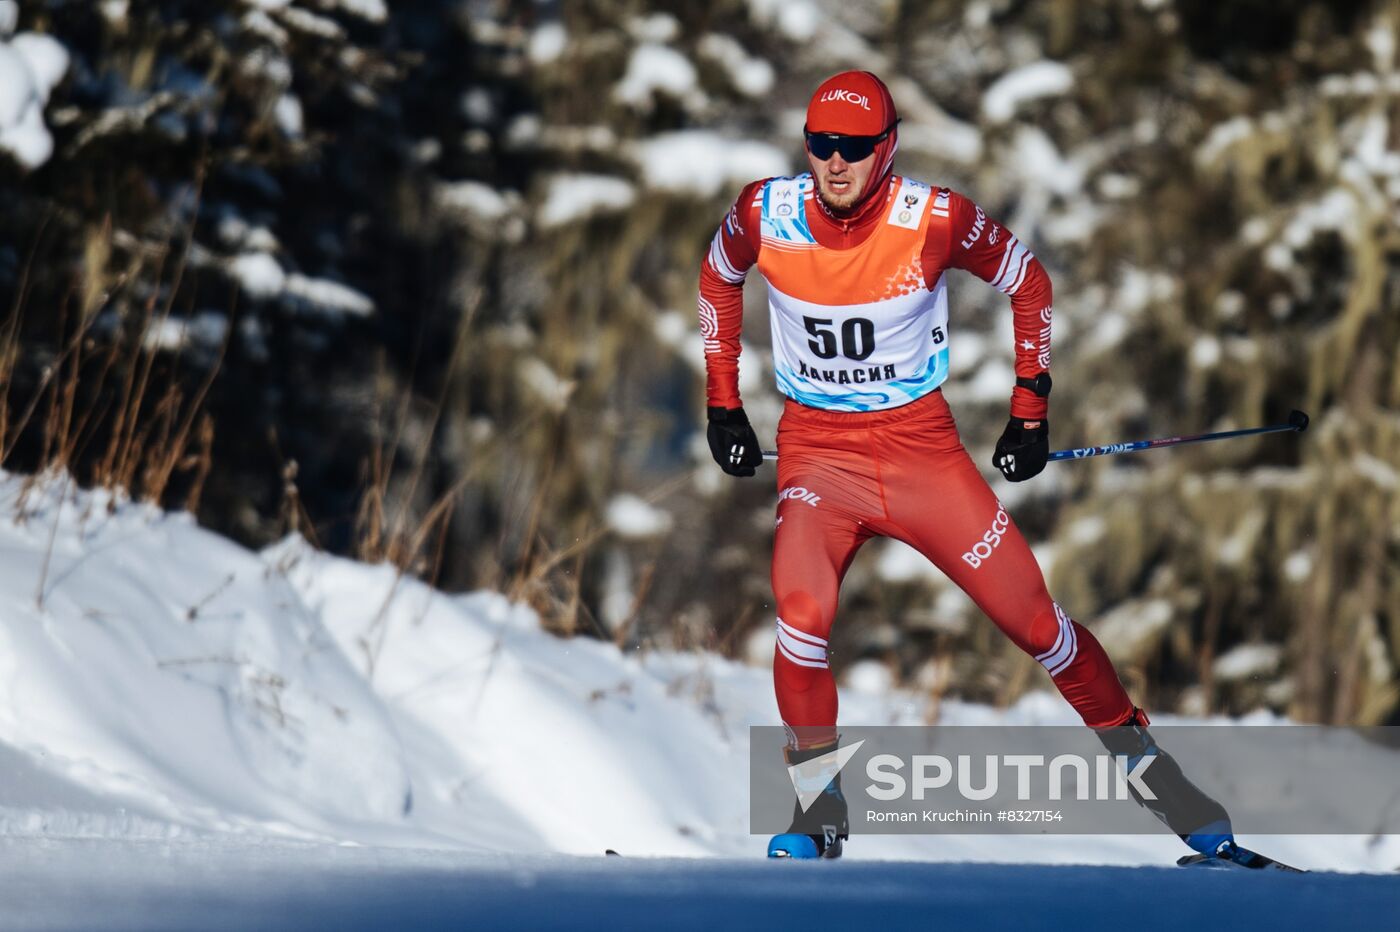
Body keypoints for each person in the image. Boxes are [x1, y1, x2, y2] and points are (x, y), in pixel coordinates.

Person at [698, 71, 1235, 861]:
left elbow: (1030, 282)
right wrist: (723, 403)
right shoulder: (765, 212)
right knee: (800, 619)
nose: (835, 163)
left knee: (1039, 628)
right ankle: (820, 807)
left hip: (922, 458)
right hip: (819, 456)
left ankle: (1157, 778)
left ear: (887, 149)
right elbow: (718, 275)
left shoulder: (935, 219)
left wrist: (1030, 409)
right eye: (820, 146)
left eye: (853, 148)